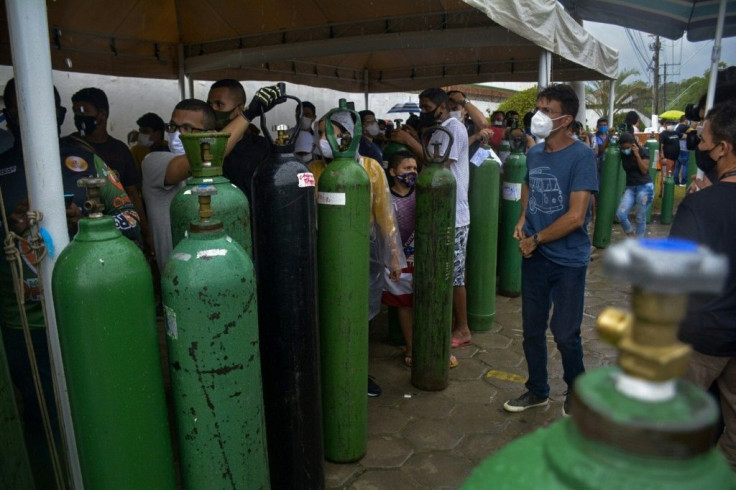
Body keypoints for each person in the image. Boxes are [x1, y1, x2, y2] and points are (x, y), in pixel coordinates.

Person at [0, 78, 141, 479]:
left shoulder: (84, 161)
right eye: (16, 106)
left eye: (40, 106)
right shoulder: (2, 169)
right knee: (40, 422)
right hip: (25, 325)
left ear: (60, 115)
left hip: (86, 312)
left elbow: (130, 220)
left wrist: (89, 222)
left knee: (98, 411)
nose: (26, 114)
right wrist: (9, 227)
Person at [504, 84, 598, 417]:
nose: (538, 116)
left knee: (565, 332)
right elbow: (528, 182)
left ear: (566, 119)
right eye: (538, 108)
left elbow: (576, 216)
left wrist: (536, 238)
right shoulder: (534, 152)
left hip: (568, 260)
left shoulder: (582, 156)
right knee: (532, 330)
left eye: (547, 110)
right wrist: (522, 217)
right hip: (536, 257)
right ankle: (537, 390)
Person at [309, 110, 403, 397]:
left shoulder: (371, 168)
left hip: (363, 255)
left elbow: (385, 213)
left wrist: (394, 255)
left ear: (349, 136)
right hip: (323, 255)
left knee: (358, 315)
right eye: (320, 134)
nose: (323, 140)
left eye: (330, 134)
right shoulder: (312, 170)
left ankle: (355, 371)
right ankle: (330, 371)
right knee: (328, 314)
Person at [143, 86, 283, 273]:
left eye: (188, 128)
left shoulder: (218, 172)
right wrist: (249, 113)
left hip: (219, 274)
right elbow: (204, 156)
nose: (178, 134)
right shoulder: (153, 162)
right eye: (173, 127)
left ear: (209, 133)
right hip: (178, 277)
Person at [669, 99, 736, 470]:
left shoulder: (700, 206)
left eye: (705, 141)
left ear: (723, 148)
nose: (700, 148)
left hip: (702, 335)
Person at [390, 88, 472, 349]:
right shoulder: (438, 130)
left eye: (426, 107)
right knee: (442, 272)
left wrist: (409, 141)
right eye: (421, 107)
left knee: (454, 274)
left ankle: (463, 327)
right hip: (438, 211)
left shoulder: (455, 129)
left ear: (442, 105)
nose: (422, 112)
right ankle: (445, 322)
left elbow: (438, 165)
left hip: (454, 214)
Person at [381, 151, 458, 369]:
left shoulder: (424, 193)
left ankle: (439, 347)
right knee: (405, 305)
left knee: (431, 300)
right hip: (398, 260)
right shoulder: (386, 198)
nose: (412, 172)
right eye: (407, 168)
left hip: (424, 258)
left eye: (415, 169)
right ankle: (412, 348)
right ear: (393, 172)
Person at [67, 87, 152, 251]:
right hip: (79, 237)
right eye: (76, 112)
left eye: (84, 111)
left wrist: (145, 235)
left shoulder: (119, 150)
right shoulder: (69, 147)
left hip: (116, 235)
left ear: (102, 115)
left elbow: (133, 193)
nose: (79, 117)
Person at [206, 79, 270, 202]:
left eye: (219, 104)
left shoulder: (262, 147)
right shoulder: (205, 143)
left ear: (240, 108)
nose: (212, 110)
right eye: (209, 105)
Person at [614, 132, 653, 238]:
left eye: (628, 147)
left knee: (640, 217)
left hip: (644, 187)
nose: (625, 150)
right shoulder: (623, 153)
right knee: (620, 214)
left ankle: (639, 244)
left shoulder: (643, 151)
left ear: (633, 144)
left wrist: (637, 155)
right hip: (631, 188)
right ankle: (632, 238)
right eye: (623, 148)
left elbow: (644, 170)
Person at [659, 120, 681, 197]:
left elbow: (683, 136)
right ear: (665, 125)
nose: (671, 125)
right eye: (669, 124)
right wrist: (662, 156)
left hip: (674, 158)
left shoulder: (675, 133)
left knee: (671, 176)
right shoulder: (663, 134)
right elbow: (661, 145)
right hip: (667, 158)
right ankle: (663, 192)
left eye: (672, 124)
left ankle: (668, 191)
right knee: (665, 175)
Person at [674, 115, 691, 186]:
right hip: (685, 149)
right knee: (685, 165)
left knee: (677, 166)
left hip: (678, 148)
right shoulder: (687, 128)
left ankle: (676, 181)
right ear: (685, 120)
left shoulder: (677, 127)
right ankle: (683, 182)